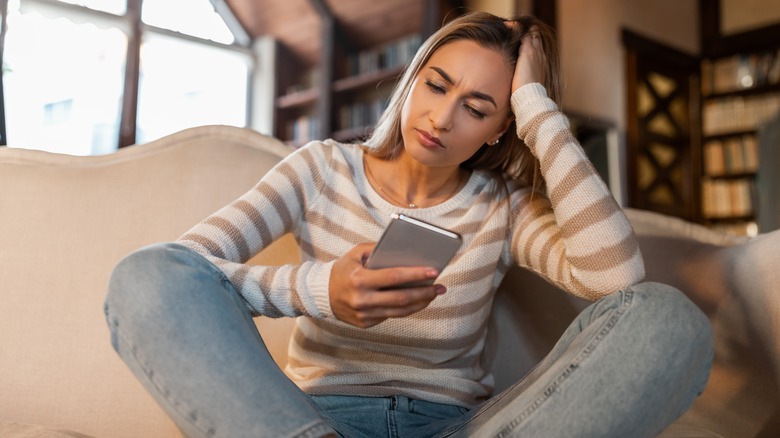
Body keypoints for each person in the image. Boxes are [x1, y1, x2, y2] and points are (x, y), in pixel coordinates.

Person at [104, 11, 713, 438]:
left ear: (500, 129)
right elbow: (183, 273)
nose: (442, 118)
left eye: (477, 109)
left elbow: (615, 278)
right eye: (437, 85)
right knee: (142, 273)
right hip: (313, 421)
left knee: (666, 315)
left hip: (462, 427)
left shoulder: (500, 206)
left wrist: (537, 110)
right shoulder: (320, 169)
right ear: (412, 77)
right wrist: (321, 291)